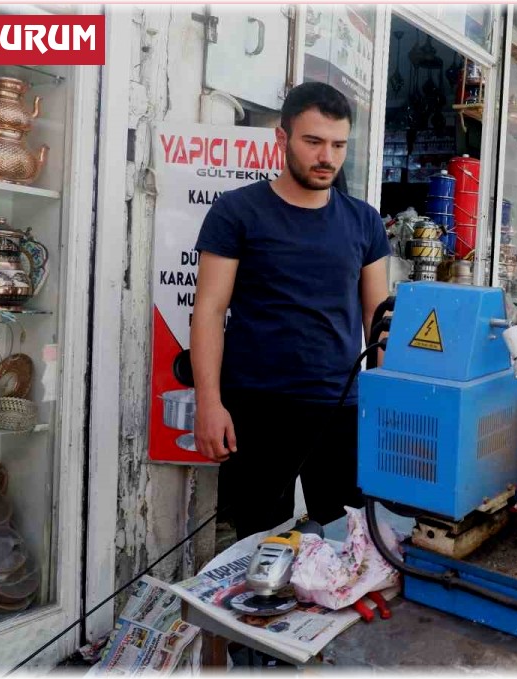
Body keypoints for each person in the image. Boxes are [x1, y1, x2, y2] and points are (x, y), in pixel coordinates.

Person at [191, 82, 391, 538]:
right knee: (259, 548)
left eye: (338, 145)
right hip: (258, 412)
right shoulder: (236, 212)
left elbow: (378, 320)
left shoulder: (364, 221)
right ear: (282, 140)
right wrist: (209, 403)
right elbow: (208, 311)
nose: (327, 157)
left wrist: (386, 407)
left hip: (339, 409)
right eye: (314, 141)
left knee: (351, 544)